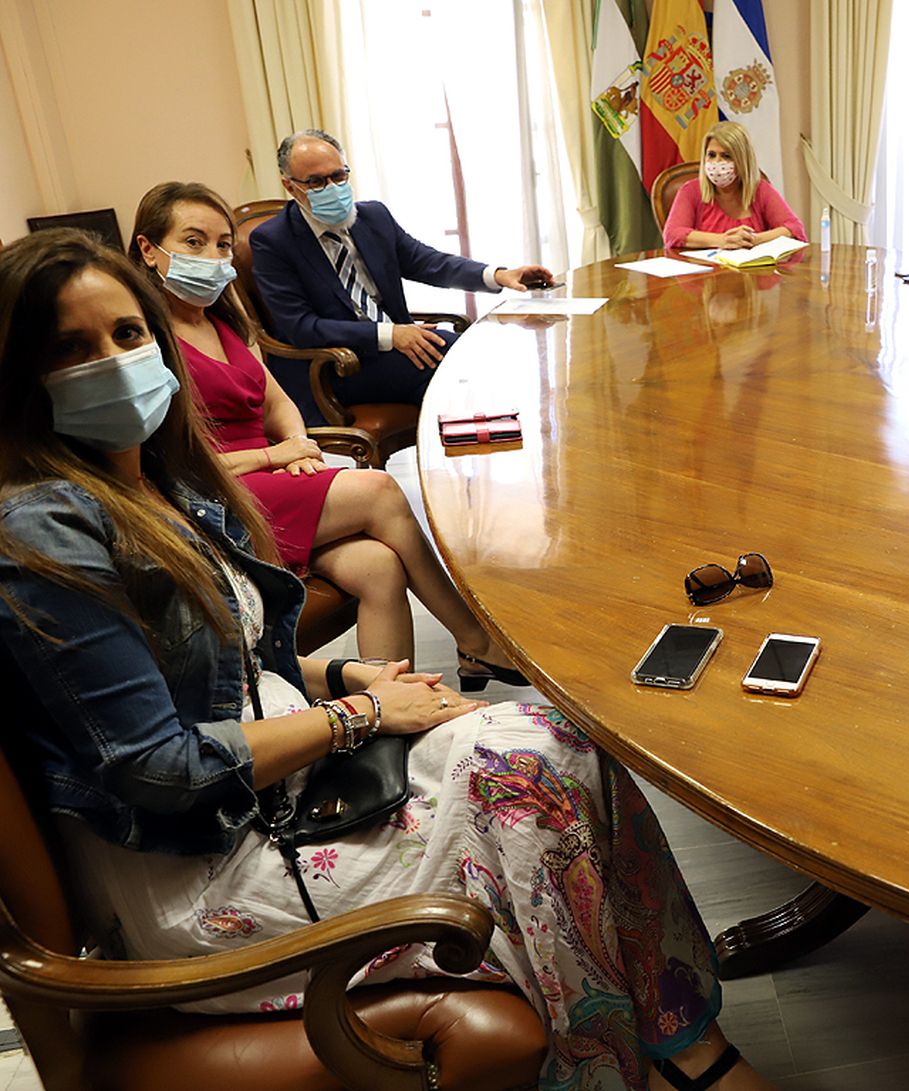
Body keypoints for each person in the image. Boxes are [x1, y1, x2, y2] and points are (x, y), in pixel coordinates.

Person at [0, 229, 774, 1091]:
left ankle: (672, 1041)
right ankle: (621, 1067)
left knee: (569, 741)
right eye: (71, 348)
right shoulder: (44, 526)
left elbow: (226, 673)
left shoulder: (160, 484)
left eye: (127, 335)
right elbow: (157, 766)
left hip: (274, 796)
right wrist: (357, 718)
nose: (112, 361)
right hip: (205, 869)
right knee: (532, 786)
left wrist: (347, 677)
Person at [129, 181, 526, 687]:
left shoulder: (222, 320)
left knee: (379, 566)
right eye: (193, 242)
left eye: (223, 244)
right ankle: (475, 641)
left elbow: (277, 401)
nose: (212, 256)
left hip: (269, 480)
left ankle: (380, 720)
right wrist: (275, 456)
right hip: (218, 497)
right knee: (379, 489)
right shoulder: (144, 339)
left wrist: (300, 447)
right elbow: (168, 468)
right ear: (147, 248)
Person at [250, 128, 555, 412]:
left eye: (339, 176)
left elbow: (428, 262)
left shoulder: (373, 217)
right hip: (335, 366)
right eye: (316, 182)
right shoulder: (272, 241)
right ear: (289, 186)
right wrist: (391, 335)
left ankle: (479, 448)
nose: (332, 188)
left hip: (394, 349)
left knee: (468, 358)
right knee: (450, 372)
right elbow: (301, 326)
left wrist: (499, 275)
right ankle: (467, 454)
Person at [662, 121, 807, 251]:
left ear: (742, 161)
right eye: (711, 155)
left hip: (752, 275)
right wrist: (722, 240)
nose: (716, 163)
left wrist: (754, 239)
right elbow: (672, 234)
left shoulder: (760, 189)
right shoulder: (691, 191)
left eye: (726, 156)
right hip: (705, 276)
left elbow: (794, 228)